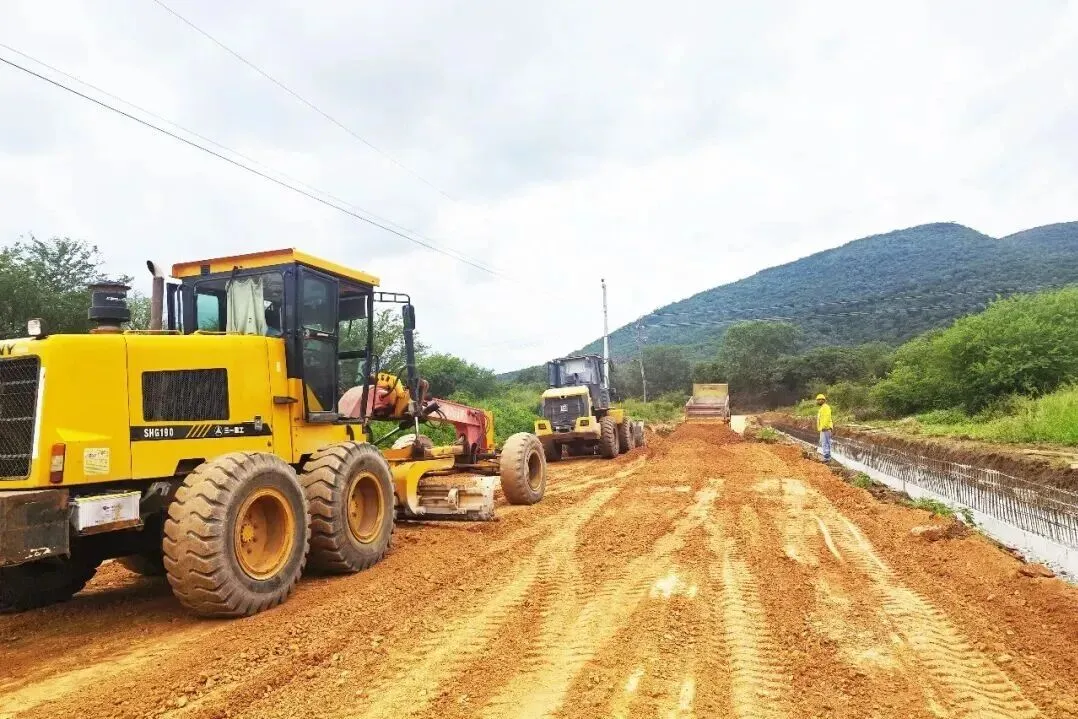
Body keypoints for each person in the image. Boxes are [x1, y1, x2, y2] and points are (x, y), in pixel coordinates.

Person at [816, 393, 833, 461]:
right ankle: (827, 457)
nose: (817, 401)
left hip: (825, 429)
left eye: (818, 400)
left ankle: (826, 458)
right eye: (817, 400)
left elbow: (827, 417)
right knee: (825, 442)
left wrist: (823, 427)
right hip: (824, 428)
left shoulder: (825, 407)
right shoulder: (823, 407)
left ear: (822, 400)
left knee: (825, 443)